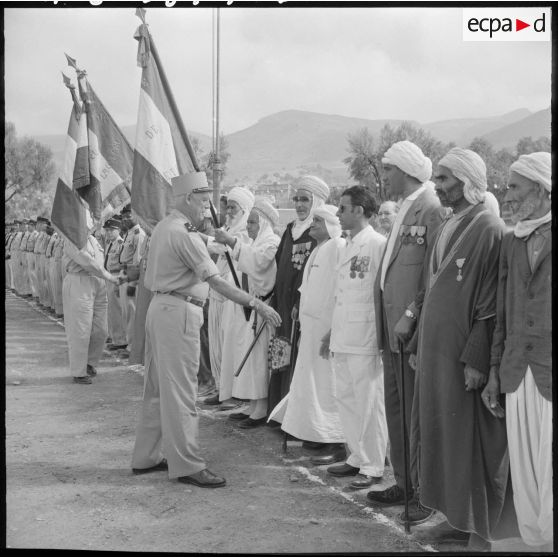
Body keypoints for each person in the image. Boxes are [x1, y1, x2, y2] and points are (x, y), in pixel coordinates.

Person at [131, 172, 281, 488]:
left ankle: (146, 456)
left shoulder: (165, 227)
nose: (206, 208)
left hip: (161, 309)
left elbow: (210, 245)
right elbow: (217, 281)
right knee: (182, 392)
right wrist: (258, 305)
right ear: (187, 199)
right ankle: (187, 464)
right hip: (178, 313)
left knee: (157, 389)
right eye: (202, 201)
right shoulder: (183, 233)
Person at [411, 148, 516, 550]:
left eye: (444, 178)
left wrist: (476, 358)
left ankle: (479, 528)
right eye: (436, 178)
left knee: (470, 440)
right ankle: (455, 517)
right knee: (442, 435)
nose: (437, 186)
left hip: (462, 358)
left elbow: (489, 304)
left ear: (468, 182)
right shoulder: (448, 224)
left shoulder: (489, 227)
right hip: (436, 351)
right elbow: (433, 290)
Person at [368, 141, 445, 523]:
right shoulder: (404, 208)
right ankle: (403, 481)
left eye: (389, 169)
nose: (385, 177)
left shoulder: (430, 208)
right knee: (396, 410)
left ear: (406, 170)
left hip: (409, 330)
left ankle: (423, 492)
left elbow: (432, 274)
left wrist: (411, 316)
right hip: (390, 331)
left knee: (414, 413)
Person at [483, 152, 552, 552]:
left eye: (514, 188)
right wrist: (494, 370)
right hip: (516, 371)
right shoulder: (511, 241)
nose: (506, 196)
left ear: (542, 190)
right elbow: (502, 314)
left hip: (546, 372)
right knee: (526, 470)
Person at [321, 186, 388, 490]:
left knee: (369, 401)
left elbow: (382, 294)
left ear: (359, 210)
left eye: (343, 208)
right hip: (343, 335)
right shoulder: (347, 245)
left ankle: (373, 464)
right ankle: (356, 456)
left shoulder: (377, 244)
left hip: (365, 336)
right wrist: (331, 332)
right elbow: (342, 295)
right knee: (345, 398)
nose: (338, 213)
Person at [270, 204, 345, 458]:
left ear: (331, 226)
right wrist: (299, 306)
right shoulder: (319, 249)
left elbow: (338, 287)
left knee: (326, 382)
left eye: (318, 222)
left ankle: (335, 439)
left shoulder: (337, 247)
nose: (312, 225)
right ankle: (316, 433)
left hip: (325, 326)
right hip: (311, 325)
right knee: (311, 379)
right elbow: (308, 285)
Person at [267, 175, 329, 420]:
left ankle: (294, 416)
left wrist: (298, 302)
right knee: (281, 353)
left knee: (298, 358)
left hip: (300, 307)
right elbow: (280, 263)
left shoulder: (318, 231)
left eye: (305, 199)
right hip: (282, 304)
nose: (300, 205)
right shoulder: (291, 229)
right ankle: (277, 412)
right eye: (297, 199)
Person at [216, 197, 280, 427]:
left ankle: (261, 408)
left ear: (262, 224)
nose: (249, 227)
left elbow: (257, 264)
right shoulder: (257, 243)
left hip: (264, 306)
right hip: (252, 307)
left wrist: (234, 243)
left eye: (253, 223)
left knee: (259, 359)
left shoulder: (271, 242)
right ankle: (252, 404)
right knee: (250, 357)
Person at [204, 190, 252, 406]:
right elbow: (214, 244)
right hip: (217, 291)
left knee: (229, 344)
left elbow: (223, 246)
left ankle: (233, 393)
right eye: (228, 207)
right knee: (216, 342)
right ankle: (220, 387)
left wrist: (221, 241)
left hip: (233, 294)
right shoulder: (226, 230)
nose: (229, 211)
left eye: (234, 207)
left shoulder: (245, 234)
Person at [62, 232, 118, 384]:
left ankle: (90, 363)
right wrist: (109, 277)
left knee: (101, 329)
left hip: (98, 282)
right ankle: (79, 371)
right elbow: (86, 261)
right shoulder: (72, 237)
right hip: (80, 281)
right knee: (80, 329)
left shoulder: (93, 239)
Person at [118, 204, 147, 358]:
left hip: (132, 278)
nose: (125, 218)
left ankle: (133, 347)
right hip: (125, 274)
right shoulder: (129, 233)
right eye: (123, 216)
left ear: (135, 216)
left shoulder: (138, 233)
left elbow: (138, 262)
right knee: (126, 313)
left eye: (128, 215)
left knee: (132, 313)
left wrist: (132, 283)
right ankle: (129, 343)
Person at [103, 218, 127, 351]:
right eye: (107, 230)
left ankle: (120, 340)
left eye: (111, 230)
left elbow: (123, 263)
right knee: (111, 310)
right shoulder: (110, 243)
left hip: (117, 277)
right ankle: (113, 336)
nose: (108, 233)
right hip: (109, 276)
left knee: (117, 310)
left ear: (118, 230)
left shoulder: (120, 243)